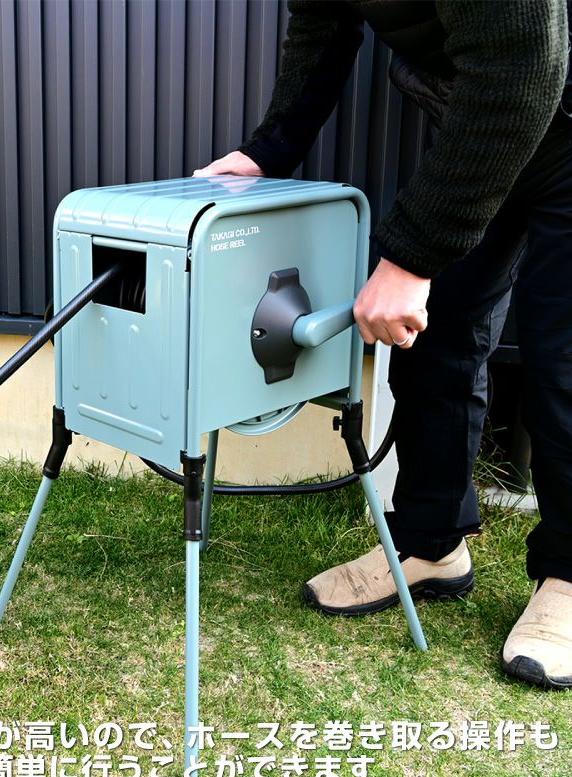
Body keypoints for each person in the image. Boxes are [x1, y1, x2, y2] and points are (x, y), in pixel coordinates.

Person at [195, 0, 572, 689]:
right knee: (435, 335)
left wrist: (411, 258)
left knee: (564, 362)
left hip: (553, 105)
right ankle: (431, 544)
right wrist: (266, 150)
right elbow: (321, 24)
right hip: (484, 134)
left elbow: (522, 65)